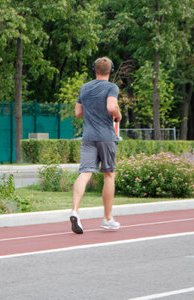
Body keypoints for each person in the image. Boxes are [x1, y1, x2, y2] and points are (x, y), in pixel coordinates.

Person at [70, 57, 122, 234]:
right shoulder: (111, 87)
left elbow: (78, 112)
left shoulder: (85, 87)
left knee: (85, 172)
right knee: (109, 175)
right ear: (110, 71)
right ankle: (107, 219)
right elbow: (111, 107)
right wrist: (118, 115)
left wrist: (92, 110)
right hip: (106, 137)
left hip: (88, 137)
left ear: (94, 70)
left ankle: (75, 211)